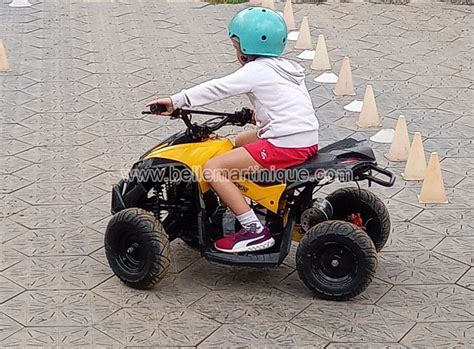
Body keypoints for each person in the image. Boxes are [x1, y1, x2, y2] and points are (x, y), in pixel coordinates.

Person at [146, 7, 319, 253]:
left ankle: (254, 230)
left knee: (212, 169)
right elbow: (283, 105)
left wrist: (177, 100)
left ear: (246, 46)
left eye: (236, 45)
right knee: (239, 141)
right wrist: (252, 116)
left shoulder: (255, 71)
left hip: (284, 143)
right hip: (303, 137)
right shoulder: (286, 68)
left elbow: (218, 88)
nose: (235, 51)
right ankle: (244, 197)